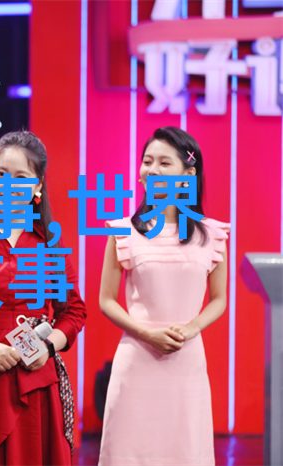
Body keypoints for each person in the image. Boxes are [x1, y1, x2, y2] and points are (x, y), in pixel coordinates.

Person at [0, 131, 87, 466]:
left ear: (37, 187)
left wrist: (48, 347)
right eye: (0, 174)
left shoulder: (50, 244)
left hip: (34, 378)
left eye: (21, 177)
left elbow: (74, 311)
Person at [98, 126, 228, 466]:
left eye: (164, 163)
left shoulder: (212, 234)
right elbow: (106, 300)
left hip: (187, 361)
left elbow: (219, 299)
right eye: (147, 161)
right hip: (136, 360)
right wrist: (146, 332)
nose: (152, 170)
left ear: (189, 174)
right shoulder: (123, 231)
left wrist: (191, 328)